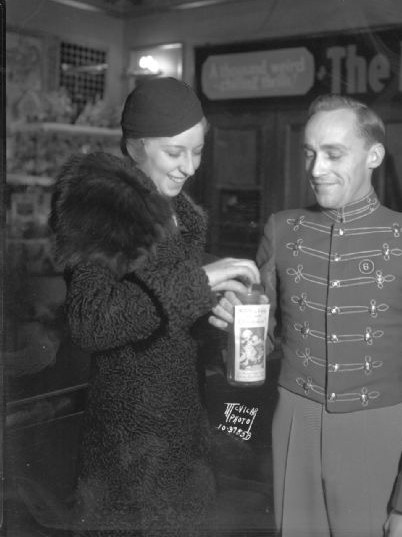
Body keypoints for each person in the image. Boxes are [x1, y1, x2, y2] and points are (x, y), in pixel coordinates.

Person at [211, 94, 402, 537]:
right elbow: (259, 349)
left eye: (333, 154)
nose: (316, 169)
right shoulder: (282, 229)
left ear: (374, 155)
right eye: (310, 153)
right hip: (292, 426)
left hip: (377, 432)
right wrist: (234, 332)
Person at [49, 77, 260, 537]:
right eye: (174, 152)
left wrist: (215, 317)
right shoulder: (98, 208)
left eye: (198, 151)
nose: (189, 167)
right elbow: (91, 322)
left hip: (185, 441)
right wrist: (199, 280)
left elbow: (169, 321)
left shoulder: (181, 216)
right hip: (126, 455)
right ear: (135, 147)